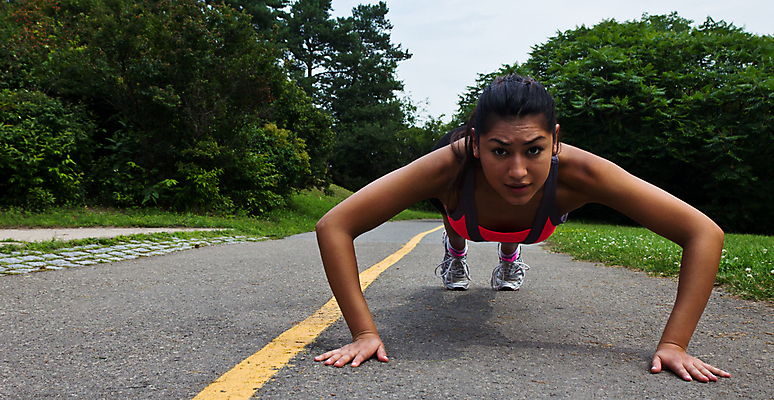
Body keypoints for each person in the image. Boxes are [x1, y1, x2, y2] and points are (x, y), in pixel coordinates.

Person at [313, 74, 730, 382]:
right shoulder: (449, 164)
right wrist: (364, 333)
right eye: (499, 151)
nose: (518, 171)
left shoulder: (581, 173)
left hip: (536, 225)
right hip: (465, 219)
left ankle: (509, 255)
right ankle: (454, 252)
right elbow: (334, 225)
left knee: (516, 230)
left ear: (555, 141)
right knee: (455, 219)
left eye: (534, 150)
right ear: (476, 143)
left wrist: (674, 344)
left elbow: (704, 233)